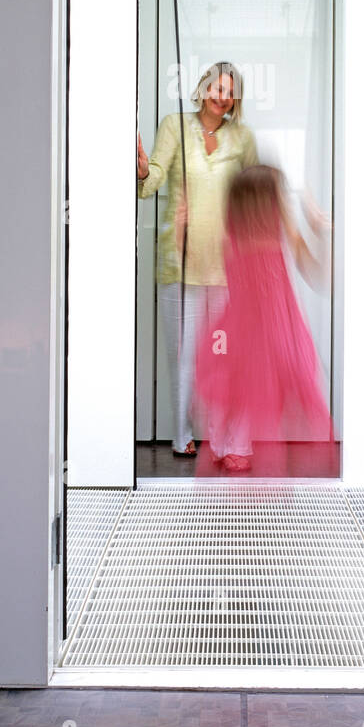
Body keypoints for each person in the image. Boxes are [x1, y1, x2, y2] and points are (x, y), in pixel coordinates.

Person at [136, 61, 258, 456]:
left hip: (227, 269)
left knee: (223, 358)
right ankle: (182, 435)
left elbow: (254, 196)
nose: (222, 97)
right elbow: (152, 182)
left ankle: (225, 442)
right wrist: (141, 172)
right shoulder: (175, 125)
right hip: (179, 263)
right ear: (203, 87)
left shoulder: (242, 138)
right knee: (185, 358)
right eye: (217, 88)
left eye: (230, 91)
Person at [193, 163, 337, 476]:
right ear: (268, 202)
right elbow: (318, 276)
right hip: (262, 327)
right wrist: (321, 230)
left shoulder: (230, 237)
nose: (286, 201)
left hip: (235, 327)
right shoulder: (277, 238)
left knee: (232, 382)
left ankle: (225, 443)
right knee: (248, 382)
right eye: (281, 195)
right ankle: (234, 446)